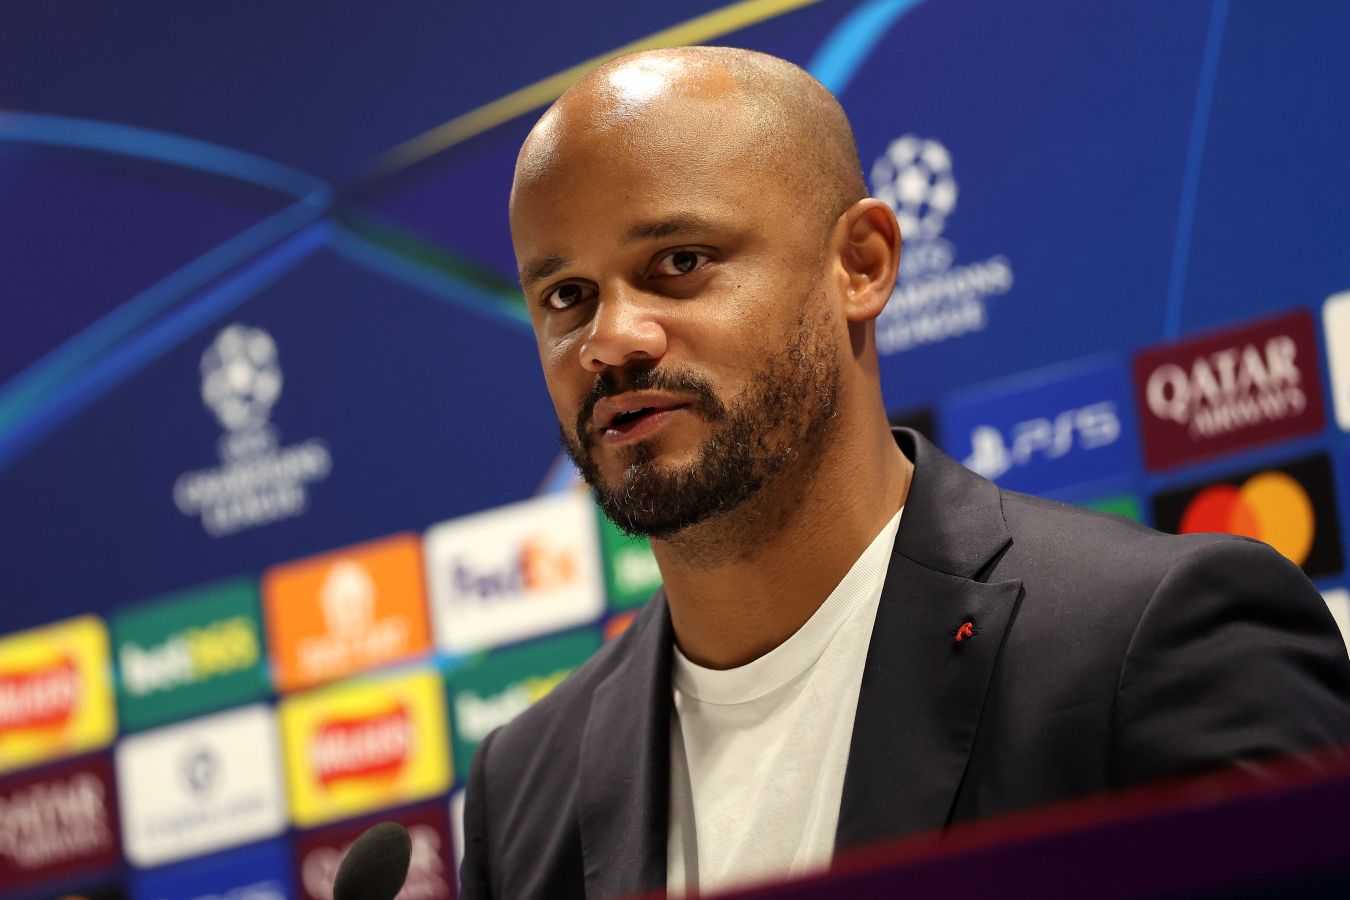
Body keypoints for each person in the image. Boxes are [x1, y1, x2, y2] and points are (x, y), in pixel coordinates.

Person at [458, 46, 1350, 899]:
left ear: (862, 264)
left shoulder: (1157, 642)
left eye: (680, 263)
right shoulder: (524, 787)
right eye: (566, 296)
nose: (612, 339)